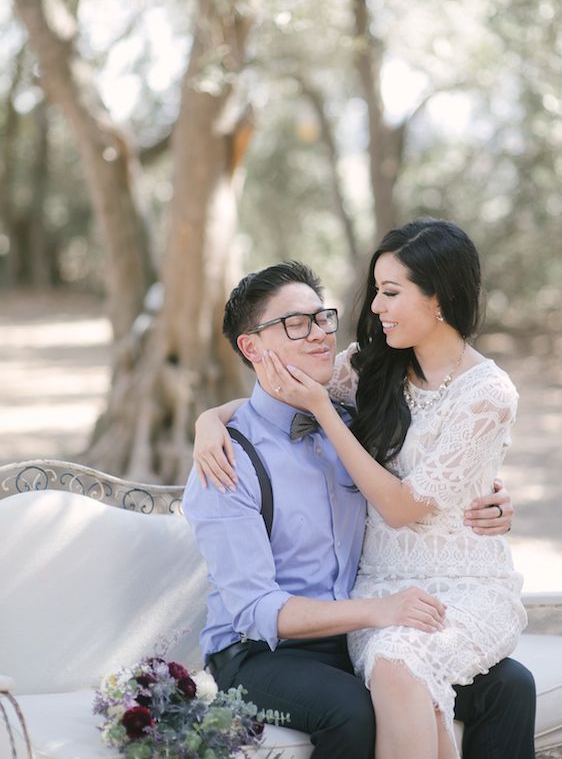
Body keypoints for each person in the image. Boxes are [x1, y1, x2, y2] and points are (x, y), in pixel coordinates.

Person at [184, 252, 535, 759]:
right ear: (251, 346)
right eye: (295, 324)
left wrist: (491, 497)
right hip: (260, 653)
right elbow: (257, 610)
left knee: (511, 685)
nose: (320, 334)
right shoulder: (228, 461)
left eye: (322, 318)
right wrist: (209, 422)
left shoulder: (351, 417)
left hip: (353, 630)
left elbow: (425, 467)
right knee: (350, 709)